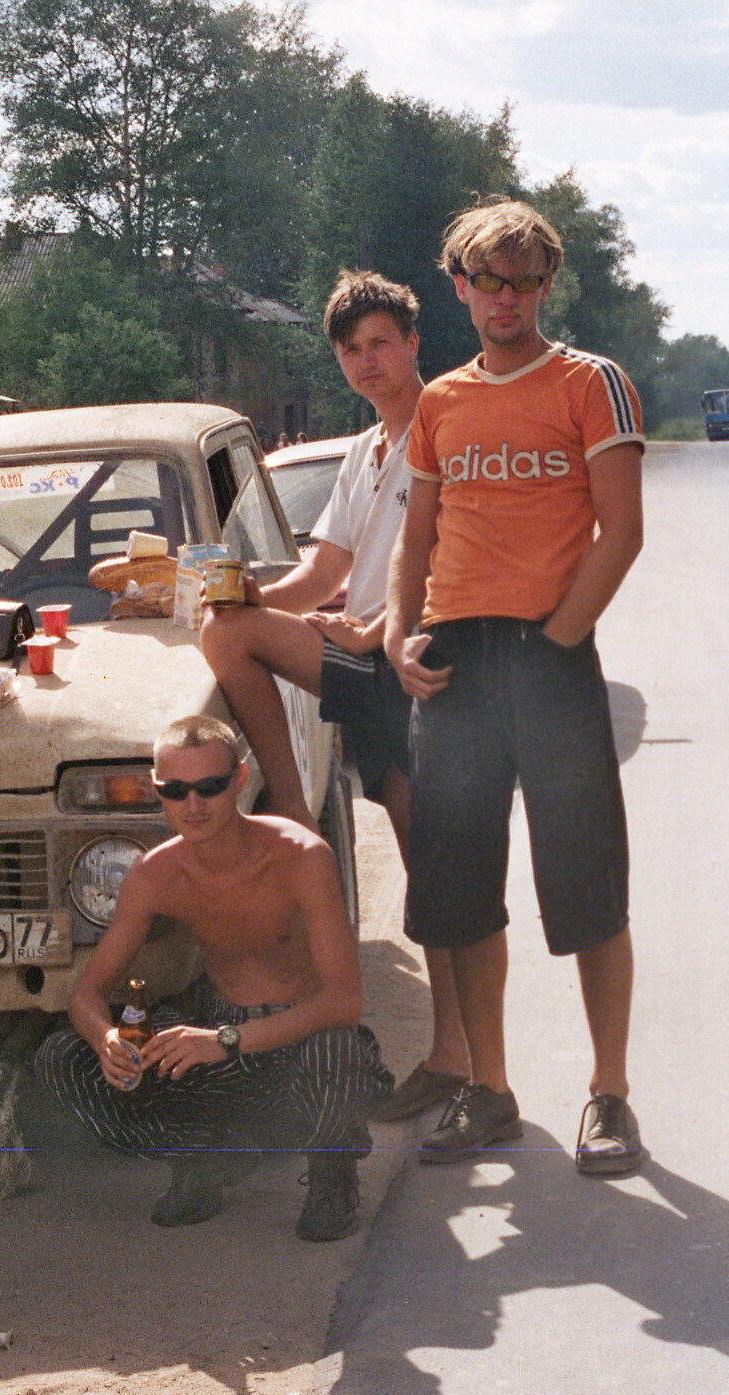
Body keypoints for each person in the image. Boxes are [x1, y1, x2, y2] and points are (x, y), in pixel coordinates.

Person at [383, 197, 648, 1176]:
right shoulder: (441, 403)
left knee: (586, 884)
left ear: (546, 285)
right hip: (453, 660)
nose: (507, 299)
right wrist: (397, 634)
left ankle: (609, 1093)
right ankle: (489, 1088)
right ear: (461, 287)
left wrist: (557, 639)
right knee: (458, 890)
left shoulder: (591, 383)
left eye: (525, 281)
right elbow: (415, 538)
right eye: (490, 281)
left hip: (550, 652)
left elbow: (621, 531)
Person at [200, 271, 471, 1124]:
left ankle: (456, 1057)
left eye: (380, 343)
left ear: (414, 343)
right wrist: (246, 596)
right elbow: (324, 570)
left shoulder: (447, 427)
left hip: (423, 662)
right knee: (227, 628)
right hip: (367, 659)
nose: (367, 361)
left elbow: (457, 558)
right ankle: (295, 811)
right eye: (351, 350)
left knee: (433, 868)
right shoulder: (364, 448)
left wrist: (379, 625)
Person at [33, 716, 394, 1240]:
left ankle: (331, 1172)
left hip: (297, 1041)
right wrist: (107, 1040)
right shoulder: (156, 873)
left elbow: (343, 1003)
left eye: (210, 787)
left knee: (337, 1051)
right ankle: (203, 1158)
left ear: (240, 778)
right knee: (63, 1057)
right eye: (175, 790)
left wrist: (225, 1040)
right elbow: (86, 994)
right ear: (157, 789)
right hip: (217, 1048)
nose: (193, 805)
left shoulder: (300, 856)